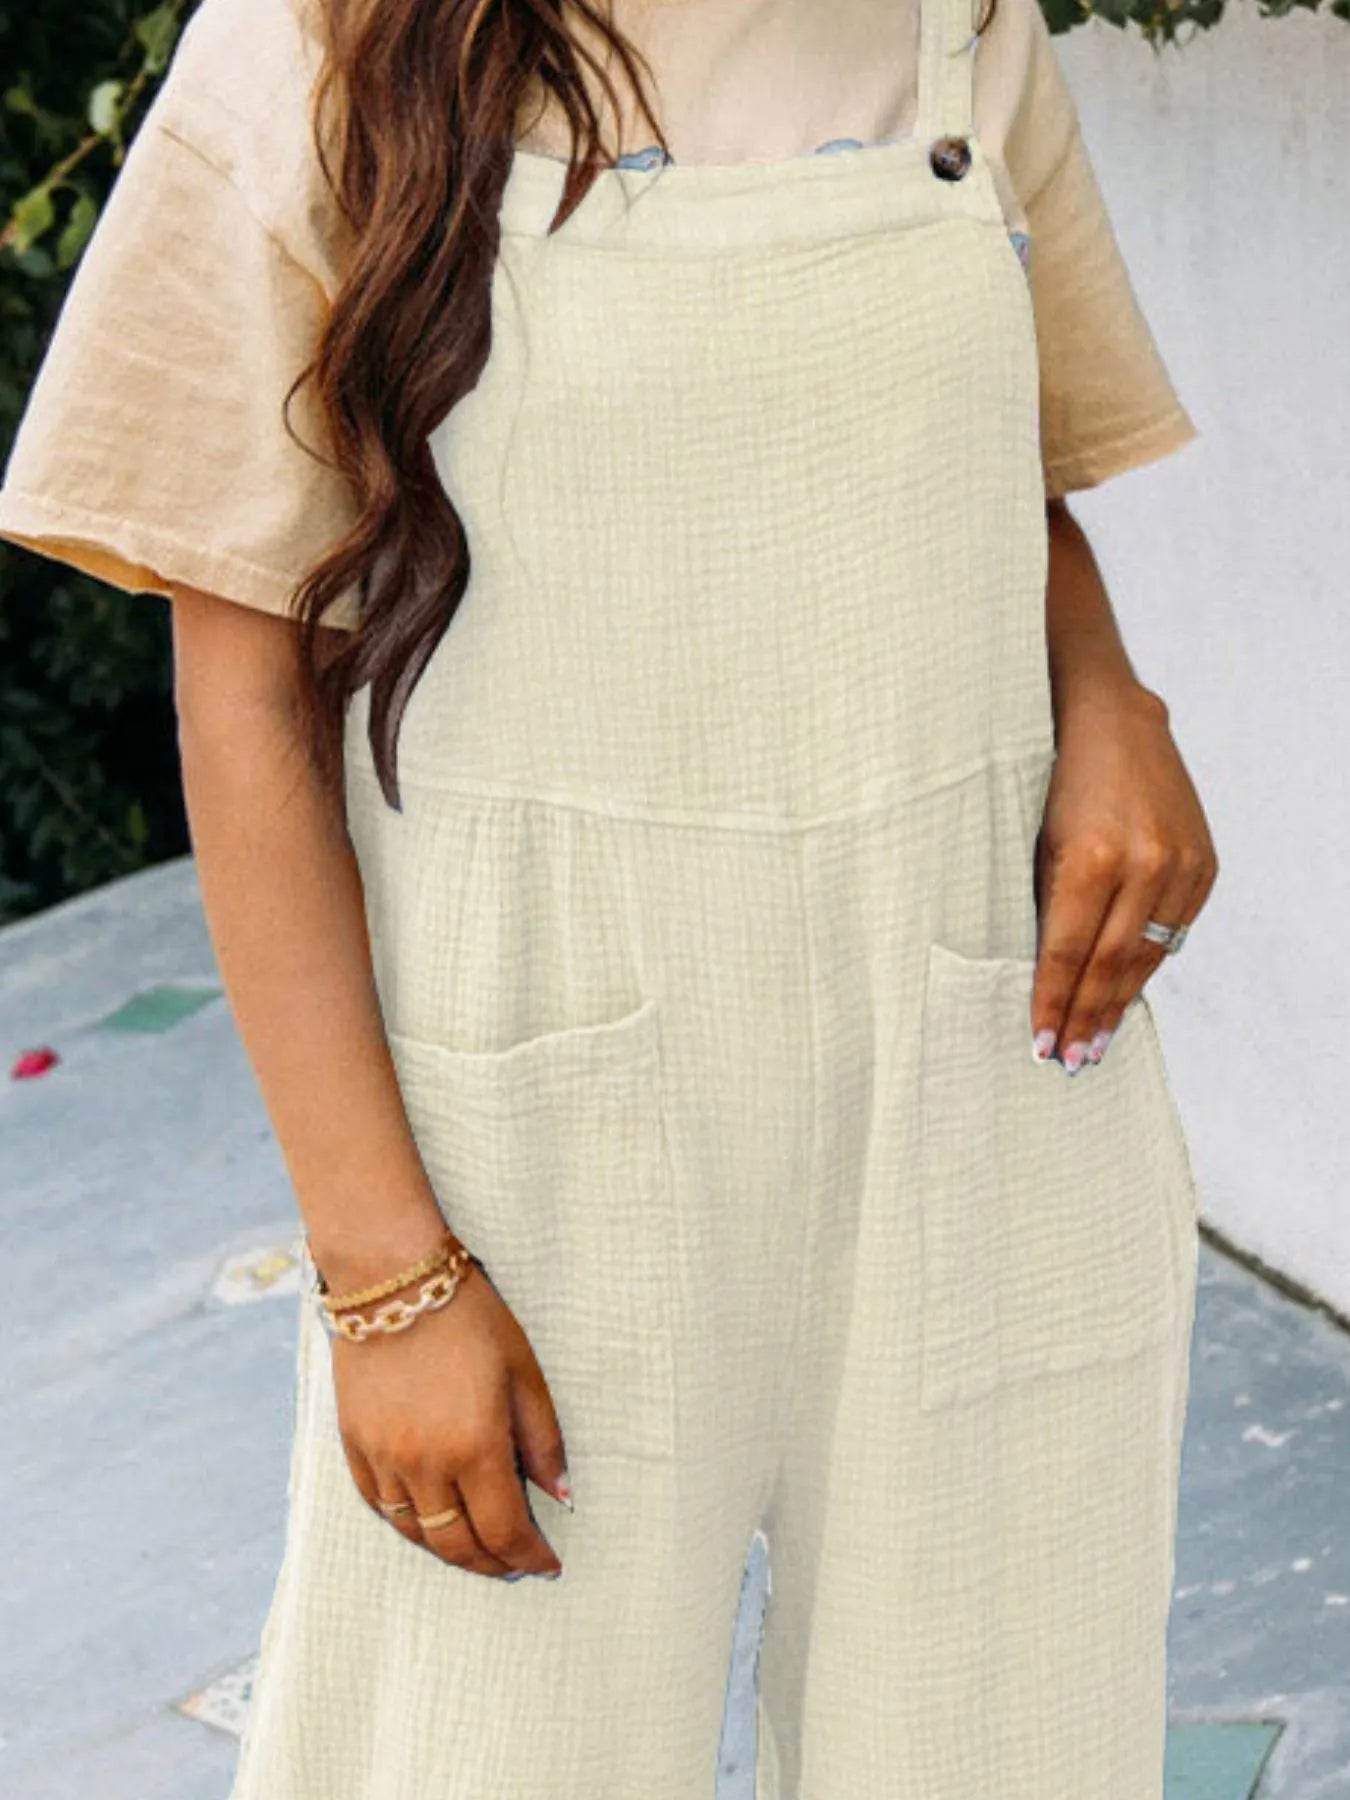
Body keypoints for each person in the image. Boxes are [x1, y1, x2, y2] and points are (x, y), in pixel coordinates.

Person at [0, 0, 1219, 1791]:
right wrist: (384, 1279)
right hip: (536, 1147)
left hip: (983, 1085)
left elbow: (1003, 475)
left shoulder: (955, 25)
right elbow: (242, 681)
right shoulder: (314, 46)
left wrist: (1111, 702)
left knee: (1006, 1749)